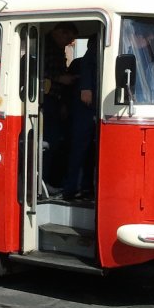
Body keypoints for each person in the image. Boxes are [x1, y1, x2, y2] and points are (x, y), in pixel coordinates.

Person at [42, 22, 79, 195]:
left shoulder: (57, 49)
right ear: (58, 32)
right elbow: (39, 72)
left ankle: (47, 180)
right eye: (67, 38)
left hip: (55, 99)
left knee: (55, 141)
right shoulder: (44, 46)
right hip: (45, 100)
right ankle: (42, 181)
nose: (68, 43)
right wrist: (61, 78)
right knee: (49, 142)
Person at [62, 35, 97, 201]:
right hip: (85, 110)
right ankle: (73, 188)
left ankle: (82, 187)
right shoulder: (89, 59)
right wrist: (86, 87)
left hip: (85, 110)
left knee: (86, 150)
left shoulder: (80, 62)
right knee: (81, 149)